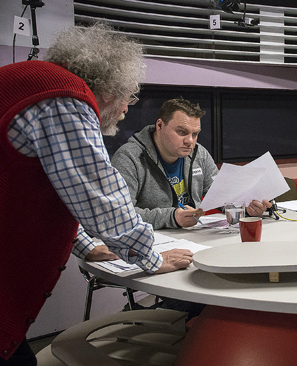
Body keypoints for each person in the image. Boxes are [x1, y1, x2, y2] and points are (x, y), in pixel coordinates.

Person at [0, 23, 192, 366]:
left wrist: (87, 244)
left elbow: (61, 190)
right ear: (109, 88)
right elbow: (99, 193)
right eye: (128, 97)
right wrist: (152, 257)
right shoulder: (64, 97)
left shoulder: (36, 85)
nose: (126, 110)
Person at [108, 97, 271, 230]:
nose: (190, 141)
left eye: (195, 134)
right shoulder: (129, 157)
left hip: (192, 237)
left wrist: (245, 208)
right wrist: (172, 217)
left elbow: (221, 196)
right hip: (152, 240)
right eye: (182, 132)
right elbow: (120, 214)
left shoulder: (199, 154)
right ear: (160, 125)